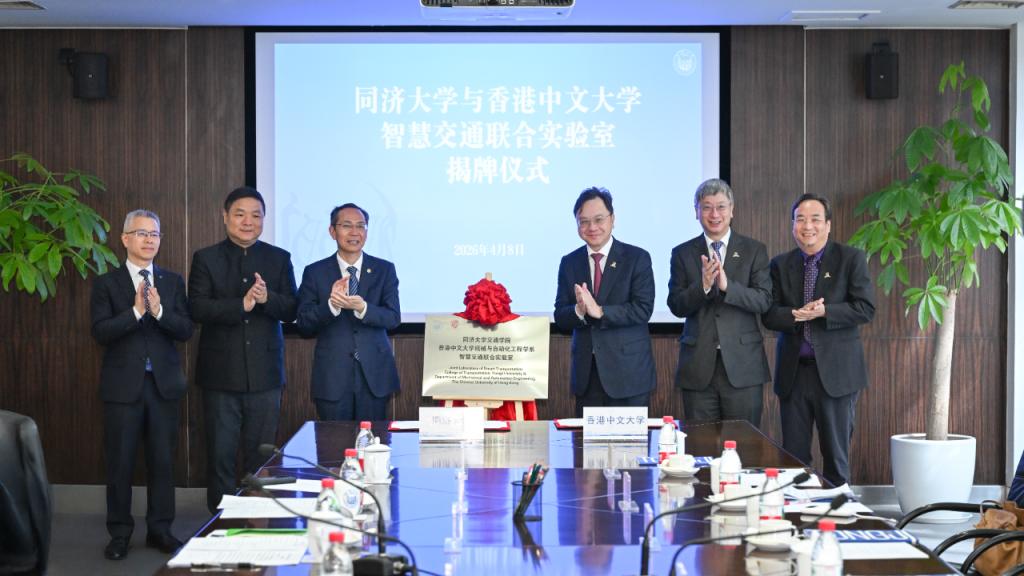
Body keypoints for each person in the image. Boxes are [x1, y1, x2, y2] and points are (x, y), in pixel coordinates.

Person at [90, 210, 193, 560]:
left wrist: (159, 312)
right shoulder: (107, 283)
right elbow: (100, 332)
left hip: (164, 386)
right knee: (120, 463)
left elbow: (185, 329)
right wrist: (135, 313)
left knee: (163, 461)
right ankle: (119, 534)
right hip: (123, 387)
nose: (149, 240)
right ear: (125, 239)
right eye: (141, 233)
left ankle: (160, 530)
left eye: (155, 234)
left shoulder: (173, 282)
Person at [189, 186, 298, 513]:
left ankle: (258, 518)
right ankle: (220, 520)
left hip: (265, 376)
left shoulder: (279, 259)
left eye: (256, 215)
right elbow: (196, 308)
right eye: (240, 214)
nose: (248, 222)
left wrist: (267, 299)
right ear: (225, 217)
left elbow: (292, 309)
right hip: (220, 377)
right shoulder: (206, 258)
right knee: (220, 455)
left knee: (261, 455)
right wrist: (242, 304)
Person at [762, 193, 875, 486]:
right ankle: (797, 511)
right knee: (794, 459)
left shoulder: (850, 258)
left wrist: (826, 312)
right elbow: (769, 314)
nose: (807, 226)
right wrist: (794, 315)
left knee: (836, 458)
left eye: (815, 219)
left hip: (837, 375)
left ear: (828, 225)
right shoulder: (780, 264)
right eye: (800, 219)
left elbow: (865, 308)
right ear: (792, 226)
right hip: (794, 374)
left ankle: (837, 511)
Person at [667, 178, 772, 427]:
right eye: (707, 207)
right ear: (696, 212)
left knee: (744, 443)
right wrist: (703, 286)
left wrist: (727, 287)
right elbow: (676, 305)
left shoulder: (754, 250)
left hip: (743, 367)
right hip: (698, 368)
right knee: (700, 444)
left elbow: (763, 300)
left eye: (721, 207)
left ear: (732, 210)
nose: (714, 214)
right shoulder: (682, 253)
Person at [554, 186, 657, 417]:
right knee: (587, 441)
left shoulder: (637, 258)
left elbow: (643, 309)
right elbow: (560, 315)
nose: (592, 227)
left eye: (599, 219)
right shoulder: (569, 262)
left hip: (629, 375)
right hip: (587, 376)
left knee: (629, 440)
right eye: (584, 221)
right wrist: (579, 310)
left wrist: (600, 311)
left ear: (613, 219)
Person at [296, 203, 401, 420]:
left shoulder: (384, 269)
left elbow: (393, 318)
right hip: (332, 376)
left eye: (360, 226)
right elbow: (304, 323)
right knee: (333, 439)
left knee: (373, 439)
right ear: (332, 231)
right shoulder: (315, 272)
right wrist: (331, 306)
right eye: (346, 226)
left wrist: (363, 308)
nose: (355, 232)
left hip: (374, 375)